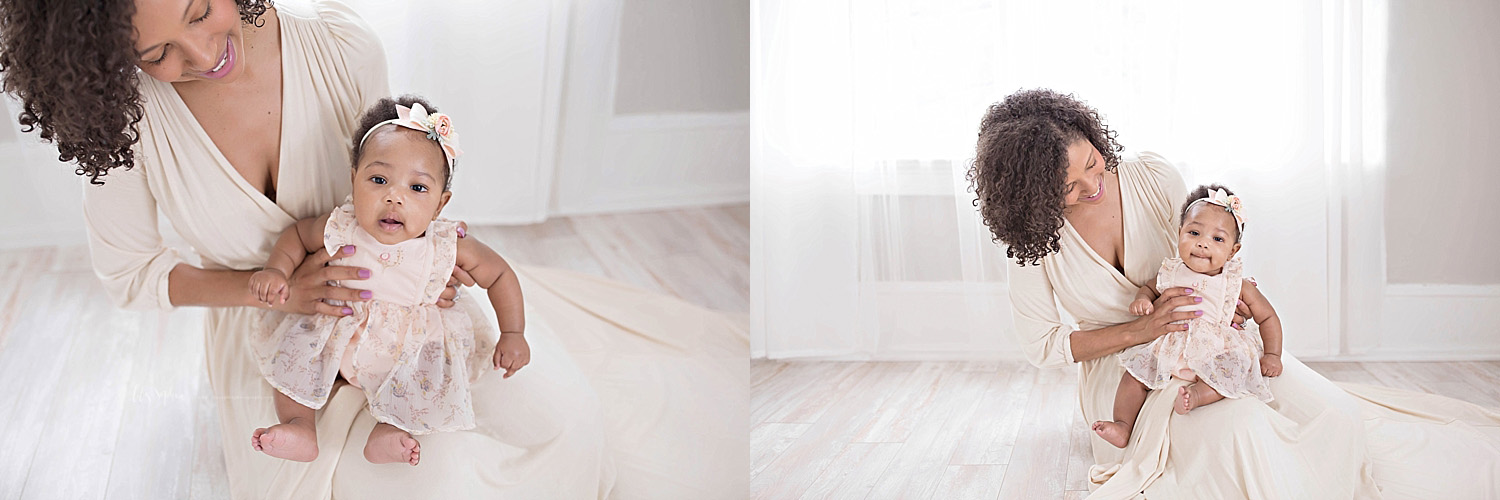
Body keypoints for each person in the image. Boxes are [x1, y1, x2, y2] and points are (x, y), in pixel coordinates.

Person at [0, 0, 747, 497]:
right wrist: (275, 289)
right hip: (277, 335)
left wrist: (430, 267)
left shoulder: (341, 46)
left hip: (412, 319)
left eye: (201, 9)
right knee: (433, 480)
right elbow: (132, 274)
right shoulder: (124, 123)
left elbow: (402, 174)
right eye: (158, 51)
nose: (202, 51)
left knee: (567, 422)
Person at [968, 88, 1500, 498]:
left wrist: (1236, 299)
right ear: (1035, 195)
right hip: (1128, 369)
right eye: (1068, 187)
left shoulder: (1152, 177)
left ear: (1092, 135)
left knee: (1337, 415)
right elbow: (1043, 346)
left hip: (1213, 346)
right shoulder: (1034, 241)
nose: (1092, 185)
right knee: (1241, 432)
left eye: (1091, 162)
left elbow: (1203, 249)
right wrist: (1142, 328)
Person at [249, 95, 532, 467]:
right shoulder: (342, 225)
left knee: (423, 381)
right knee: (294, 358)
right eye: (379, 179)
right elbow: (298, 236)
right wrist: (276, 270)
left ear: (440, 204)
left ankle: (389, 430)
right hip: (340, 334)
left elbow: (499, 274)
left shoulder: (447, 245)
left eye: (417, 188)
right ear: (355, 180)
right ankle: (300, 425)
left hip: (407, 348)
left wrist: (513, 332)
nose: (393, 197)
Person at [1092, 184, 1283, 449]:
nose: (1203, 243)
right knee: (1133, 377)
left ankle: (1196, 396)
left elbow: (1268, 317)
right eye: (1194, 233)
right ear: (1179, 234)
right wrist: (1143, 300)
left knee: (1233, 370)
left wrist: (1273, 354)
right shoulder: (1171, 271)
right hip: (1172, 343)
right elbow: (1149, 287)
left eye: (1218, 239)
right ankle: (1123, 425)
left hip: (1215, 347)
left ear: (1233, 251)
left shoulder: (1237, 284)